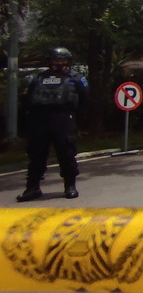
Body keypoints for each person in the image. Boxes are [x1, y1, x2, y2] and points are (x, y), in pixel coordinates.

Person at [16, 47, 88, 201]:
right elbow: (27, 101)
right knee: (36, 154)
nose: (59, 63)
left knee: (66, 153)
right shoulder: (37, 78)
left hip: (63, 118)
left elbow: (83, 102)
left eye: (62, 60)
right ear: (49, 61)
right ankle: (32, 188)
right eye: (56, 60)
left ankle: (70, 185)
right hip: (39, 119)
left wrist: (77, 122)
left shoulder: (76, 78)